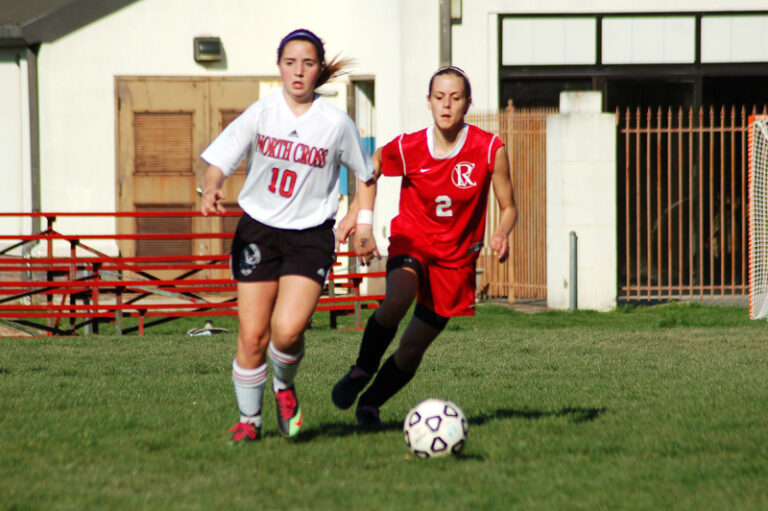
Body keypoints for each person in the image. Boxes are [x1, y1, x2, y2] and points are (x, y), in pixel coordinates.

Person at [200, 28, 378, 443]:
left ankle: (284, 386)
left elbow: (366, 174)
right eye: (291, 62)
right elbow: (218, 160)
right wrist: (211, 187)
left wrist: (363, 224)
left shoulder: (336, 122)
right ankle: (249, 421)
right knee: (252, 334)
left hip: (311, 235)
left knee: (288, 331)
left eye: (309, 63)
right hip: (258, 231)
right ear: (279, 66)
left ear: (319, 69)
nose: (299, 71)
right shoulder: (262, 113)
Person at [331, 66, 517, 426]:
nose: (447, 105)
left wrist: (502, 233)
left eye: (455, 97)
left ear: (468, 103)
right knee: (398, 297)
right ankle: (361, 369)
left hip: (456, 260)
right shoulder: (409, 146)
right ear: (429, 102)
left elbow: (508, 206)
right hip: (412, 240)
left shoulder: (490, 148)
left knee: (413, 348)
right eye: (439, 97)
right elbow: (371, 169)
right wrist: (360, 218)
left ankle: (370, 402)